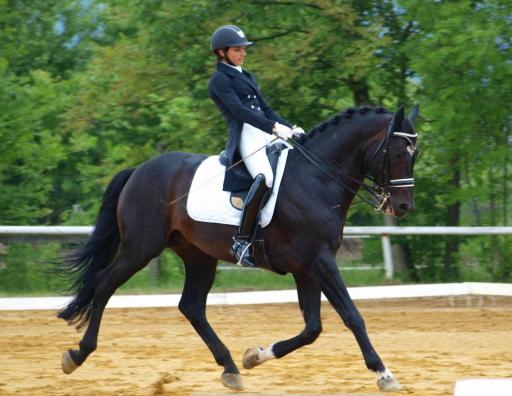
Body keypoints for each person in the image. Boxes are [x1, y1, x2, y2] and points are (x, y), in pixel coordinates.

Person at [208, 25, 305, 268]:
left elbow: (266, 109)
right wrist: (273, 128)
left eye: (243, 49)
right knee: (266, 179)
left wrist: (289, 127)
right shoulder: (219, 80)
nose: (243, 53)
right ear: (222, 52)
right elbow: (240, 112)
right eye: (238, 49)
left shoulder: (247, 75)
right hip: (246, 135)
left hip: (265, 129)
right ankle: (241, 241)